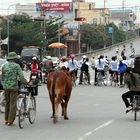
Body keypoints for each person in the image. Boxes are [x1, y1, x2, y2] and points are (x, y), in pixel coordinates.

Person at [2, 52, 32, 126]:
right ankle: (10, 121)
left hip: (6, 87)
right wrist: (26, 83)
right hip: (13, 87)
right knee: (13, 104)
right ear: (14, 59)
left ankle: (6, 120)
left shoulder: (4, 66)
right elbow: (21, 77)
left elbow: (2, 77)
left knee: (7, 103)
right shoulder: (16, 66)